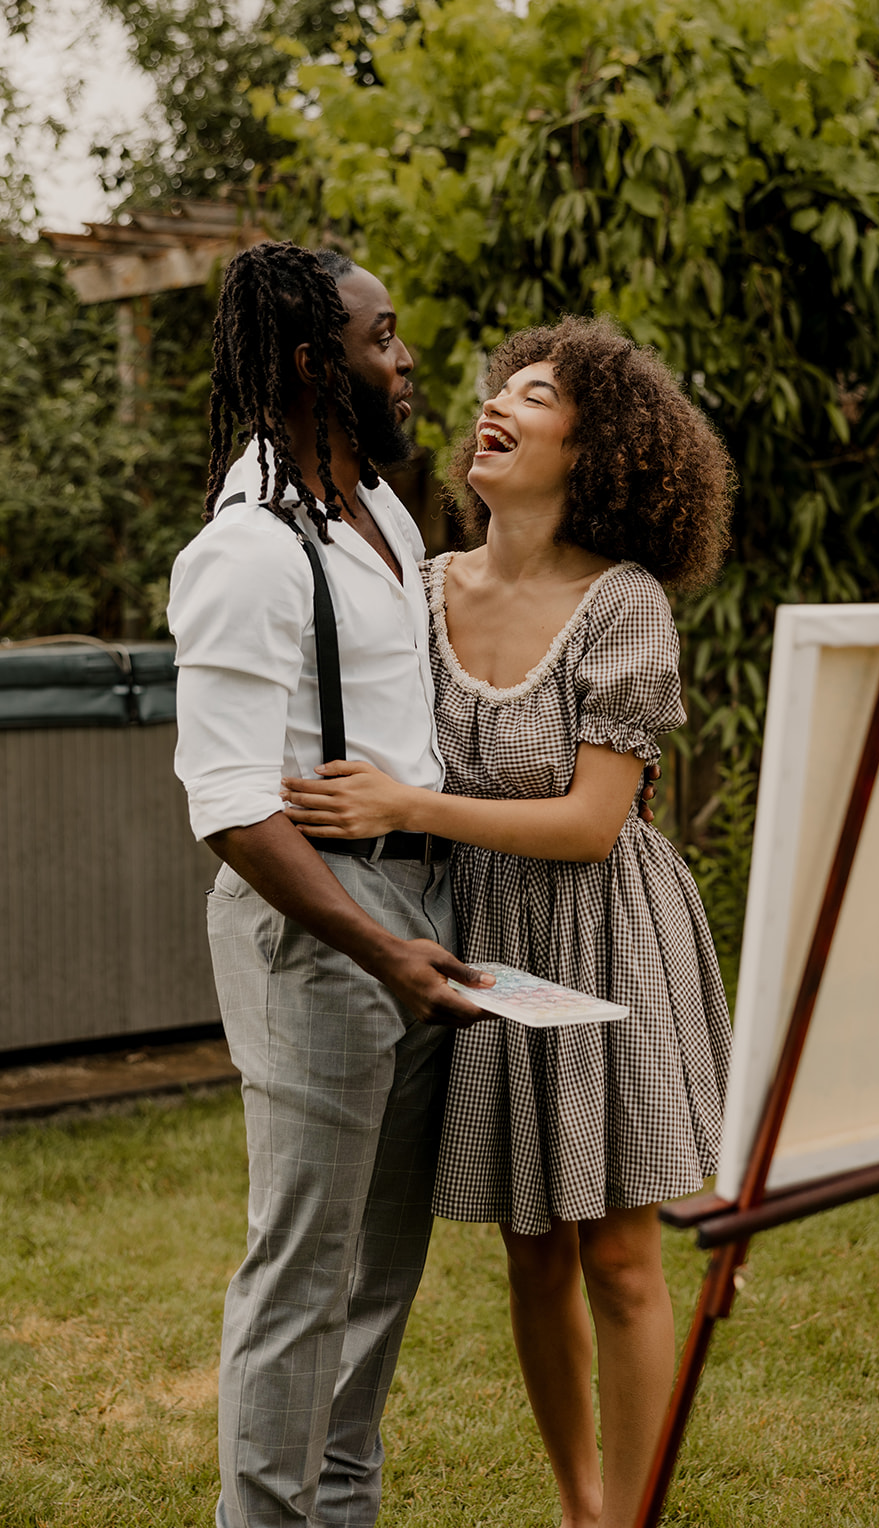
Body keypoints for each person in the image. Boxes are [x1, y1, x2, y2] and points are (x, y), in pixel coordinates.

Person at [281, 316, 735, 1528]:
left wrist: (407, 801)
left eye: (535, 395)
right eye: (500, 387)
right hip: (477, 936)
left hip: (604, 934)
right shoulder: (418, 587)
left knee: (622, 1255)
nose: (498, 404)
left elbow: (593, 823)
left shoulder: (623, 603)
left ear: (594, 451)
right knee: (531, 1247)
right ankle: (581, 1508)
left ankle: (629, 1519)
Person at [167, 239, 493, 1528]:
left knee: (379, 1273)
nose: (404, 360)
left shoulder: (382, 511)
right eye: (381, 337)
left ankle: (337, 1513)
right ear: (312, 362)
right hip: (322, 931)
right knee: (302, 1271)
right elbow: (232, 803)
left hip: (418, 908)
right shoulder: (245, 550)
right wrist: (381, 946)